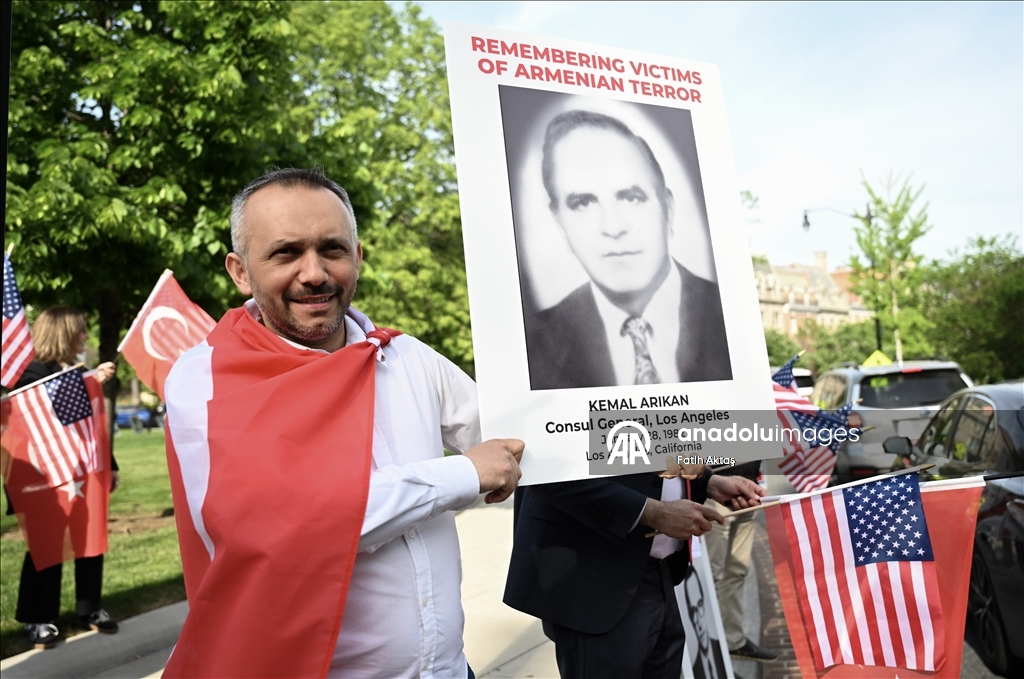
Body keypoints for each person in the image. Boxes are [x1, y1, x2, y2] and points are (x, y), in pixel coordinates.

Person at [161, 168, 524, 678]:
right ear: (240, 271)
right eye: (286, 253)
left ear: (358, 257)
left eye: (332, 249)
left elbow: (520, 434)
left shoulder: (406, 356)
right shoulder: (207, 378)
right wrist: (463, 474)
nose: (314, 273)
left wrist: (632, 424)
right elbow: (287, 520)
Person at [523, 110, 731, 390]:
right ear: (560, 224)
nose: (613, 227)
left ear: (668, 210)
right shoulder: (530, 349)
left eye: (632, 198)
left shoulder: (731, 318)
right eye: (583, 204)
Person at [504, 462, 765, 679]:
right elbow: (546, 467)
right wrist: (651, 511)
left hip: (661, 571)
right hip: (594, 573)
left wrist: (706, 482)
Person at [6, 306, 119, 648]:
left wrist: (110, 465)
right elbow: (32, 417)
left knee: (90, 538)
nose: (86, 336)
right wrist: (88, 381)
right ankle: (37, 617)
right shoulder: (27, 374)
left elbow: (91, 428)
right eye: (81, 330)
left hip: (85, 471)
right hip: (42, 478)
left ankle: (90, 607)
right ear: (64, 333)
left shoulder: (77, 372)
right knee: (46, 545)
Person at [703, 461, 778, 663]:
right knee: (710, 576)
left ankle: (733, 641)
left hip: (748, 493)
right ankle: (708, 655)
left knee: (737, 571)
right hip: (713, 491)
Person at [682, 570, 727, 679]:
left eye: (700, 605)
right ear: (689, 617)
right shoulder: (693, 670)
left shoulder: (721, 652)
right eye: (693, 612)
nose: (699, 624)